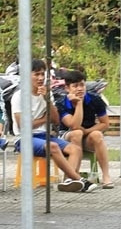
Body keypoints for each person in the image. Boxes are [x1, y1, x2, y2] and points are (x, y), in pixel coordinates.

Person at [11, 59, 97, 193]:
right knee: (53, 146)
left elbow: (56, 120)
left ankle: (68, 181)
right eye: (36, 74)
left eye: (42, 74)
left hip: (44, 136)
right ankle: (79, 180)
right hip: (24, 138)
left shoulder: (47, 94)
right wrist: (44, 119)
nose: (40, 78)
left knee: (75, 149)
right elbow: (24, 126)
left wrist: (47, 100)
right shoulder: (19, 97)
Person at [55, 69, 114, 188]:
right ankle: (72, 176)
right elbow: (74, 125)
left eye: (82, 85)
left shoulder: (95, 99)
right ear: (67, 88)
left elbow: (105, 124)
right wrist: (79, 104)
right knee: (76, 133)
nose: (79, 89)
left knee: (97, 135)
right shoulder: (61, 103)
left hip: (87, 134)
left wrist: (87, 131)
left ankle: (106, 176)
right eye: (75, 86)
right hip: (66, 137)